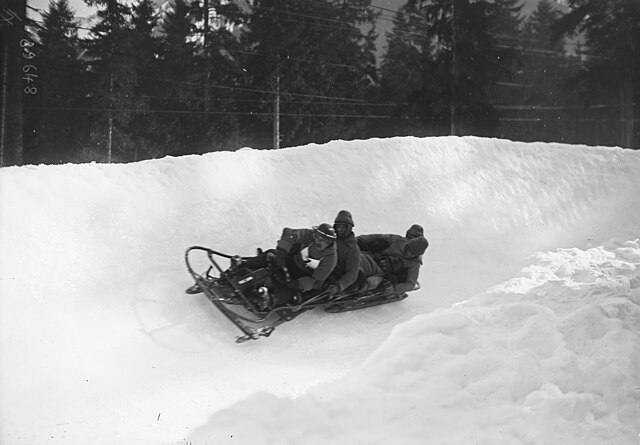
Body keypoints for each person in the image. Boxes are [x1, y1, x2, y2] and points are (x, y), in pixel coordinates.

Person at [240, 223, 338, 305]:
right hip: (291, 262)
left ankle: (267, 300)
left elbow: (316, 281)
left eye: (322, 240)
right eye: (317, 236)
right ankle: (241, 267)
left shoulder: (330, 259)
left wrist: (299, 284)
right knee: (271, 254)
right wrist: (282, 252)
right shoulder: (310, 236)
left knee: (291, 292)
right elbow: (289, 233)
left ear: (329, 242)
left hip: (302, 276)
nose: (317, 241)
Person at [357, 232, 429, 294]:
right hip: (372, 258)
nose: (410, 254)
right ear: (409, 244)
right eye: (410, 250)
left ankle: (357, 286)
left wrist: (395, 288)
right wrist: (359, 240)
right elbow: (374, 237)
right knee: (357, 259)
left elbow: (410, 284)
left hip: (382, 274)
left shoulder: (414, 263)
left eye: (414, 254)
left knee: (371, 283)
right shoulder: (398, 240)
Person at [326, 210, 361, 298]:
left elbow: (352, 273)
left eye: (344, 227)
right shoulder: (330, 238)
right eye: (338, 227)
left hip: (341, 274)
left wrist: (339, 286)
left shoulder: (352, 249)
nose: (340, 229)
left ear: (349, 228)